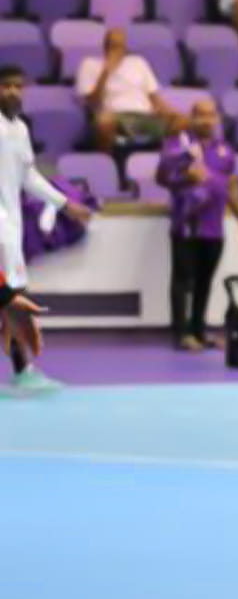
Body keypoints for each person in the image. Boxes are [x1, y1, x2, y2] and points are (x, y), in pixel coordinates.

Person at [0, 65, 90, 393]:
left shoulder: (20, 129)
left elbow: (29, 177)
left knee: (11, 300)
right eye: (5, 86)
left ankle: (23, 371)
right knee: (10, 299)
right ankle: (23, 369)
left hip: (10, 228)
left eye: (16, 86)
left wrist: (66, 204)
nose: (12, 92)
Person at [156, 98, 238, 352]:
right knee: (183, 280)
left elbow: (230, 184)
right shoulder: (179, 144)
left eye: (211, 115)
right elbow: (161, 177)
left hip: (214, 226)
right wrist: (187, 175)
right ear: (193, 117)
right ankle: (181, 333)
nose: (207, 120)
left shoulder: (225, 149)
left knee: (205, 281)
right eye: (201, 115)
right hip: (187, 224)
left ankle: (199, 329)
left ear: (218, 118)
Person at [74, 26, 170, 152]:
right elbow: (92, 102)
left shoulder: (138, 63)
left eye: (120, 46)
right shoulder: (90, 64)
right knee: (104, 122)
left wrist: (171, 114)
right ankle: (105, 164)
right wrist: (106, 72)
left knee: (183, 123)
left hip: (144, 117)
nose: (117, 49)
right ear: (105, 47)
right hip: (115, 118)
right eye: (112, 45)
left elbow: (155, 98)